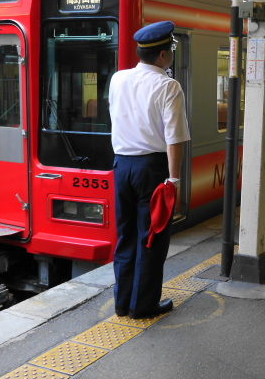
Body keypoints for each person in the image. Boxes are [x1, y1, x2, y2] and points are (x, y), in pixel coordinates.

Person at [108, 21, 190, 319]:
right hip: (152, 170)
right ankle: (142, 306)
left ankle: (122, 302)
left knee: (126, 236)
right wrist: (173, 180)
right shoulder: (168, 86)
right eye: (170, 50)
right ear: (162, 56)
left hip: (121, 166)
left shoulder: (118, 79)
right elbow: (175, 138)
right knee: (152, 237)